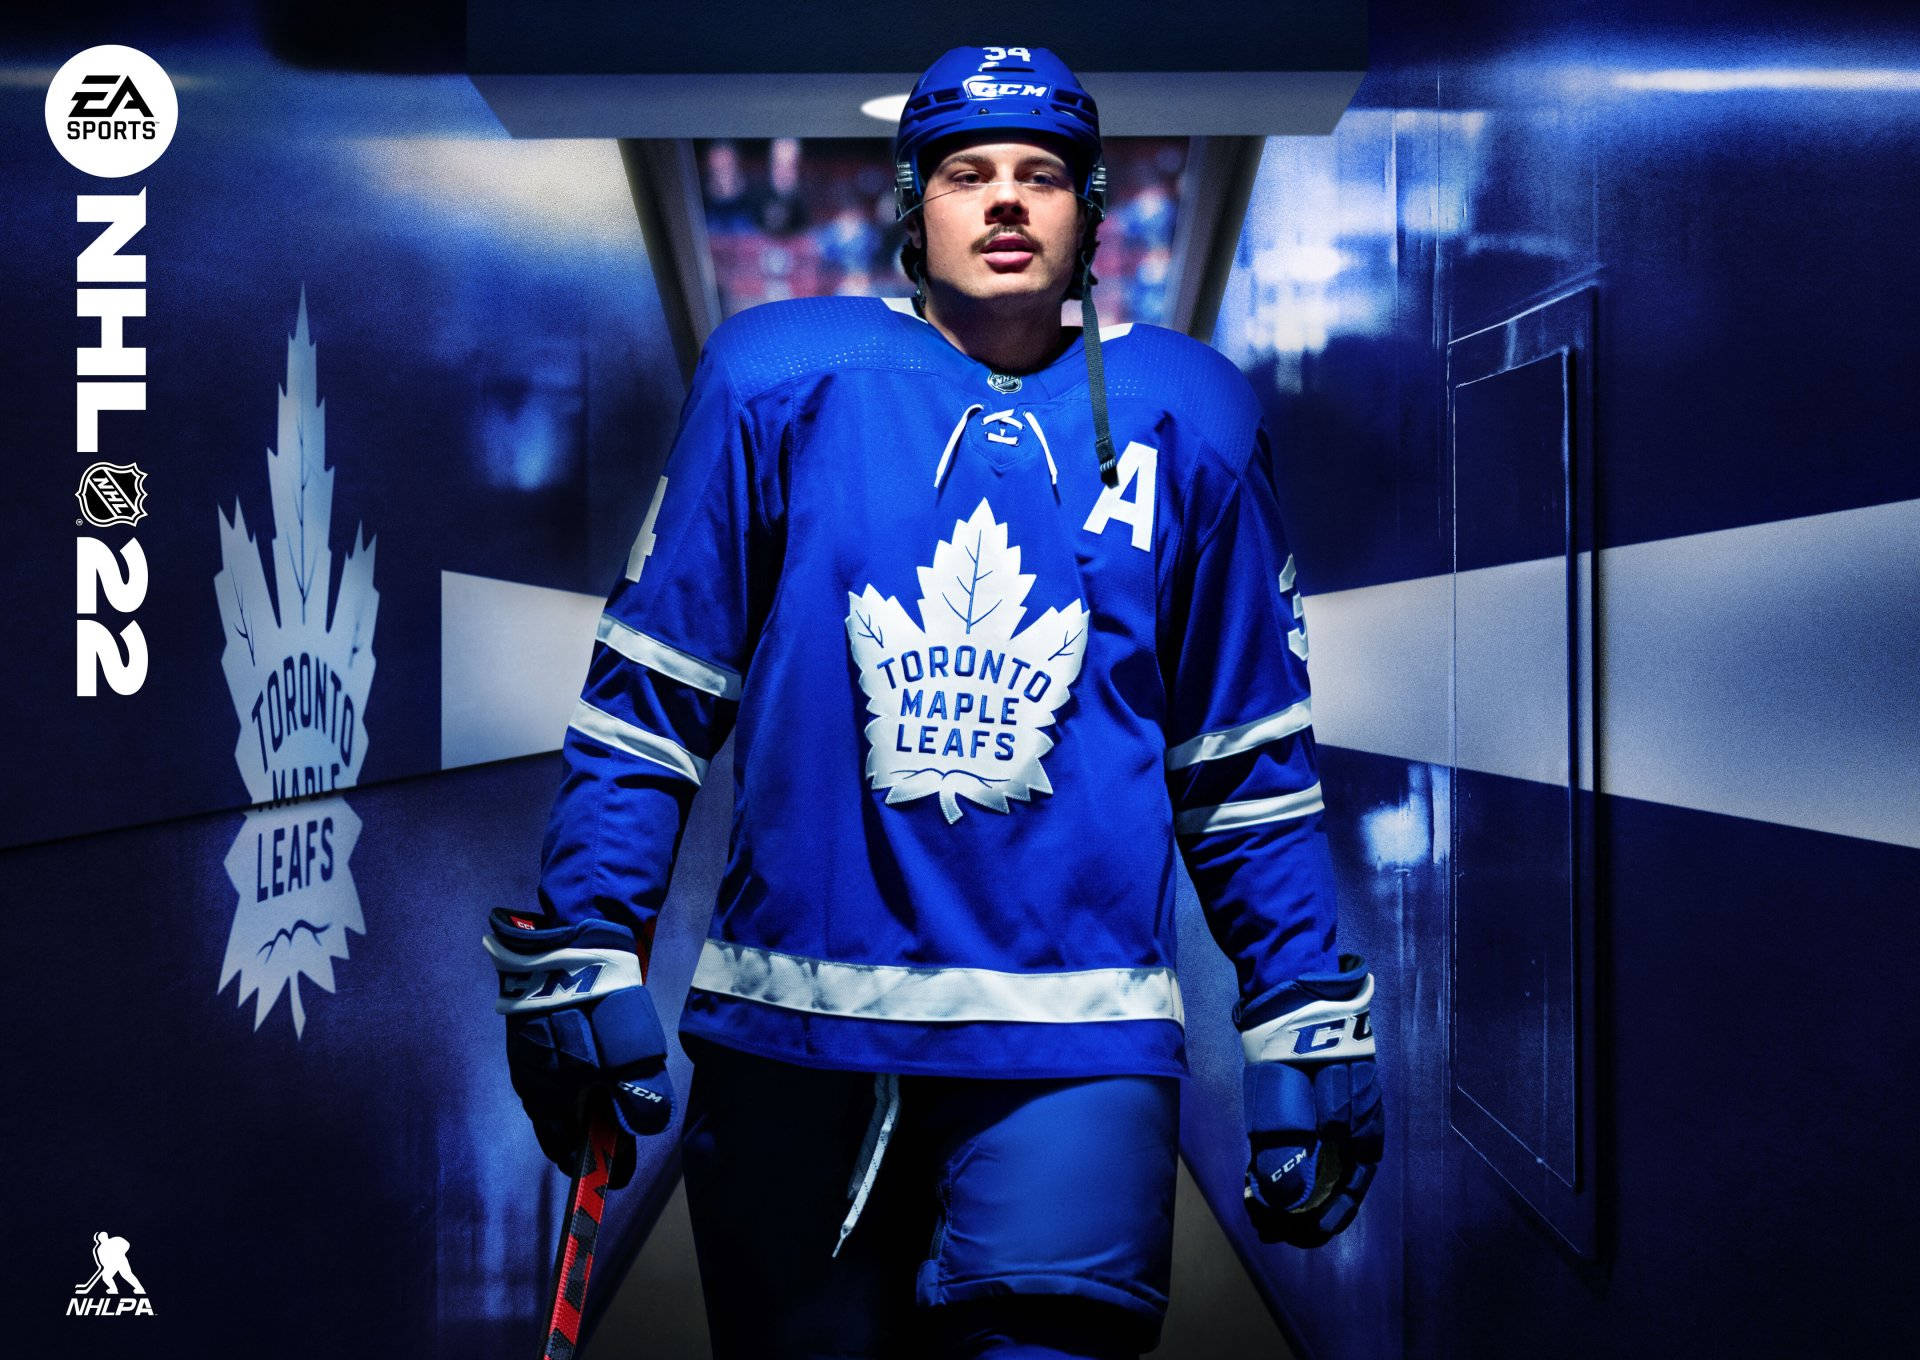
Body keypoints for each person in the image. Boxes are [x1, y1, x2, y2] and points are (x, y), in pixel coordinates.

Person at [483, 44, 1383, 1360]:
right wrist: (587, 932)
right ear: (916, 208)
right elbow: (650, 705)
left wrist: (1301, 997)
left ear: (1090, 211)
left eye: (1042, 175)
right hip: (797, 1040)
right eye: (969, 173)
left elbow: (1243, 762)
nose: (1008, 200)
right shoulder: (772, 383)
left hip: (1073, 1052)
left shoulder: (1191, 416)